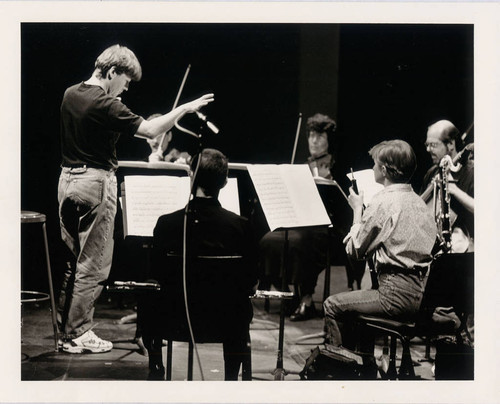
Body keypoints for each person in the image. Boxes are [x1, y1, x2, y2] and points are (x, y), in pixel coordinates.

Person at [57, 44, 214, 354]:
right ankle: (79, 332)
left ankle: (65, 332)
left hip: (66, 180)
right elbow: (151, 129)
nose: (126, 88)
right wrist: (184, 108)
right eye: (125, 81)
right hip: (95, 184)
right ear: (112, 72)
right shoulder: (106, 104)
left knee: (71, 262)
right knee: (93, 264)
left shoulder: (70, 93)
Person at [141, 148, 259, 380]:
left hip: (173, 320)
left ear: (190, 177)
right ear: (225, 182)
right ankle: (230, 380)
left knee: (149, 296)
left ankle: (156, 368)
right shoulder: (241, 227)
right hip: (226, 323)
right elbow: (250, 282)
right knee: (239, 304)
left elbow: (155, 273)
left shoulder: (166, 224)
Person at [323, 139, 437, 375]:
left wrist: (357, 211)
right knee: (357, 307)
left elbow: (354, 251)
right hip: (424, 297)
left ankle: (341, 372)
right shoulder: (420, 202)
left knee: (332, 305)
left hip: (394, 297)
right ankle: (365, 367)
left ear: (384, 170)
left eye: (375, 164)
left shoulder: (382, 202)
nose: (373, 168)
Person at [259, 113, 344, 321]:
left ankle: (306, 298)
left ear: (329, 140)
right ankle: (288, 294)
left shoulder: (336, 167)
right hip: (300, 224)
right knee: (268, 240)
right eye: (311, 136)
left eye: (320, 136)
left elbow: (340, 206)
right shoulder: (302, 166)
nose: (314, 141)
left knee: (300, 243)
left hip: (326, 228)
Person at [421, 119, 474, 253]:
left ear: (451, 144)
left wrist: (454, 190)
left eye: (433, 145)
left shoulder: (472, 172)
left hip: (467, 250)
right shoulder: (432, 172)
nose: (428, 149)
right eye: (427, 145)